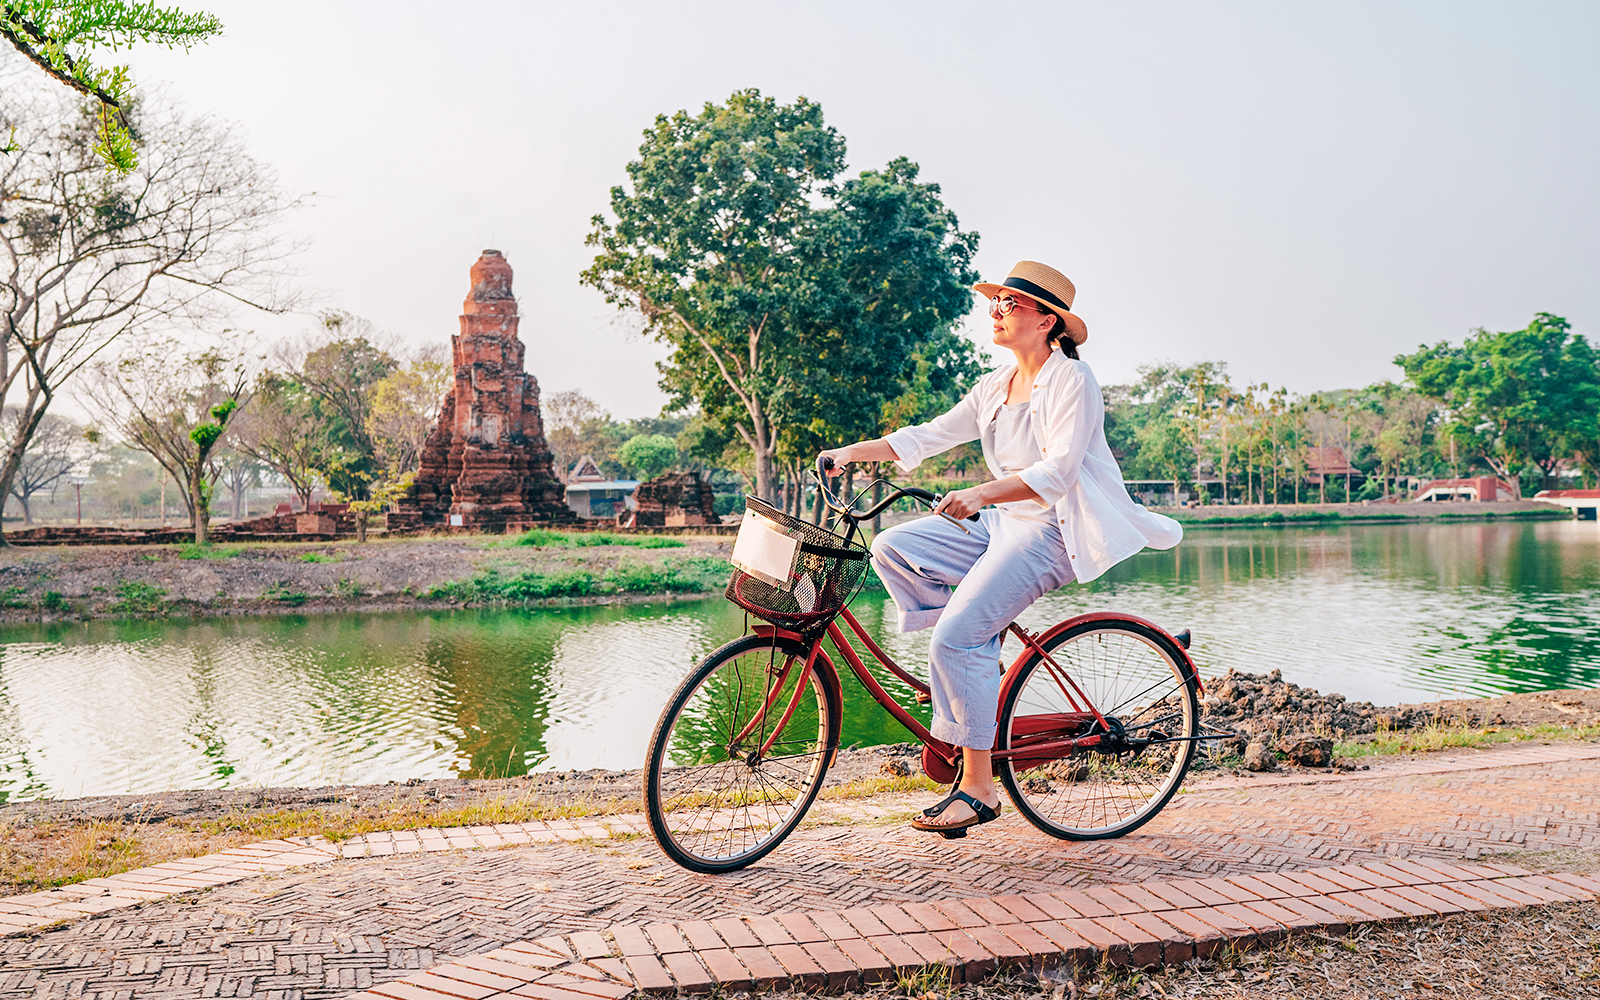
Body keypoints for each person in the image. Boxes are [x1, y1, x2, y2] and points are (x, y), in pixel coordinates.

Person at [818, 260, 1183, 835]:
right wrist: (850, 454)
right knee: (892, 546)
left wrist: (979, 492)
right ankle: (969, 656)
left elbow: (1058, 472)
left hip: (1052, 531)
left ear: (1048, 322)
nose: (996, 310)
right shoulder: (993, 386)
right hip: (1000, 525)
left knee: (956, 639)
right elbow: (927, 436)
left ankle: (980, 787)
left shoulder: (1071, 380)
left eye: (1010, 303)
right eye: (996, 302)